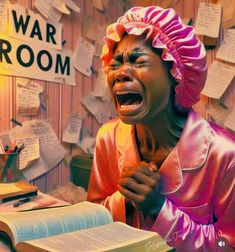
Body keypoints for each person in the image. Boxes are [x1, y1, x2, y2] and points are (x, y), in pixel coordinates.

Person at [87, 5, 235, 251]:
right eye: (115, 64)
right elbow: (91, 218)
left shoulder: (226, 155)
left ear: (176, 75)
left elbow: (227, 244)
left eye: (138, 60)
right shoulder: (108, 138)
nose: (121, 73)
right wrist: (125, 199)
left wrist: (159, 210)